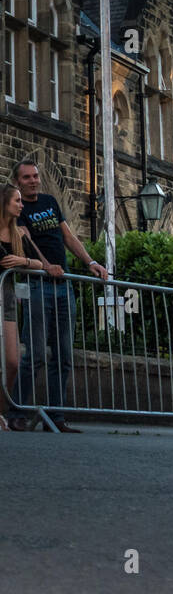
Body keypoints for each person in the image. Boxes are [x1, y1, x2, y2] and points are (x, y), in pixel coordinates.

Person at [8, 160, 108, 434]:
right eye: (26, 177)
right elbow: (26, 241)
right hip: (37, 285)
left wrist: (90, 262)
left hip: (63, 286)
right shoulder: (18, 208)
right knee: (36, 355)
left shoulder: (51, 201)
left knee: (64, 355)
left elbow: (68, 236)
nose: (33, 180)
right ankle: (16, 413)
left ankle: (56, 417)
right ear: (18, 182)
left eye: (35, 176)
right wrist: (46, 266)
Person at [0, 184, 50, 430]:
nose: (22, 205)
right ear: (4, 203)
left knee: (12, 361)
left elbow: (41, 265)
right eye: (17, 201)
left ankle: (1, 410)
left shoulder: (18, 235)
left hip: (6, 298)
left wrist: (23, 260)